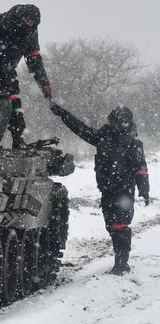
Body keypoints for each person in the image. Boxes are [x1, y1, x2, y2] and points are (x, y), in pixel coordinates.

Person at [49, 102, 150, 275]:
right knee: (112, 225)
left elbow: (140, 168)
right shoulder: (103, 137)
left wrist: (144, 189)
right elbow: (81, 129)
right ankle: (120, 261)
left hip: (124, 191)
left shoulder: (133, 143)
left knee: (120, 225)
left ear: (119, 122)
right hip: (107, 190)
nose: (106, 122)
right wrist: (64, 114)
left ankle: (121, 264)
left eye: (109, 120)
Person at [0, 4, 52, 149]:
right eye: (27, 20)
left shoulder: (31, 34)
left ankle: (18, 138)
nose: (29, 24)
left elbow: (34, 59)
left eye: (32, 22)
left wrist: (43, 83)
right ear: (20, 17)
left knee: (14, 103)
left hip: (6, 70)